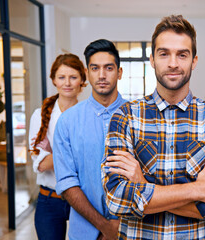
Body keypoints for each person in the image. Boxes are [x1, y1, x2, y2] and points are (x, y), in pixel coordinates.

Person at [102, 15, 205, 239]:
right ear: (152, 60)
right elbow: (116, 200)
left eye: (182, 55)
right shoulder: (124, 117)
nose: (173, 63)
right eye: (164, 53)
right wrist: (198, 190)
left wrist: (143, 184)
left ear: (194, 61)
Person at [53, 39, 127, 240]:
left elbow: (148, 179)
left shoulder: (138, 117)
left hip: (132, 231)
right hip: (83, 233)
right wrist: (105, 227)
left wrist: (118, 225)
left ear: (119, 73)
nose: (101, 75)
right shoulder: (67, 121)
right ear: (87, 73)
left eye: (109, 68)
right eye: (95, 68)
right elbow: (67, 183)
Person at [29, 53, 87, 240]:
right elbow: (42, 164)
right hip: (49, 201)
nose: (67, 83)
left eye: (73, 77)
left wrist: (56, 153)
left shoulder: (88, 115)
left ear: (82, 80)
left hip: (83, 200)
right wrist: (77, 154)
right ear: (54, 80)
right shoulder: (40, 116)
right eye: (61, 77)